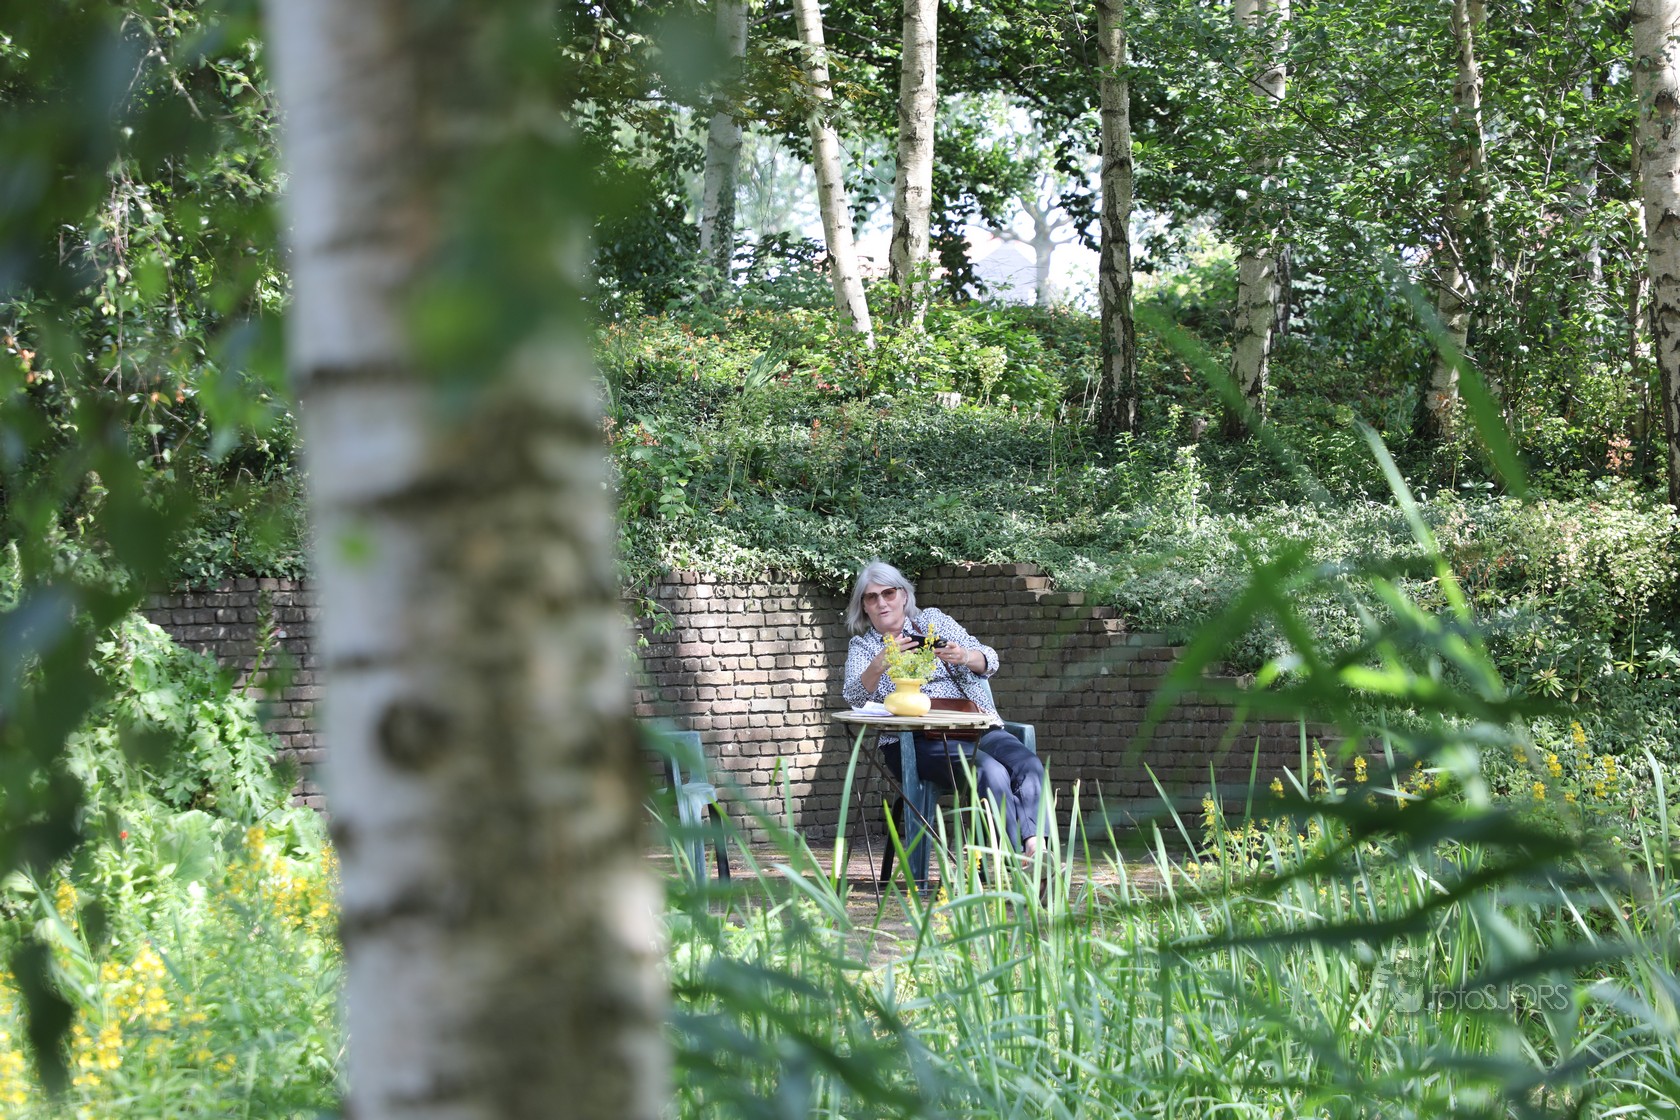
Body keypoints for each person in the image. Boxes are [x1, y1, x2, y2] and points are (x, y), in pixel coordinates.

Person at [842, 560, 1046, 857]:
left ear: (903, 595)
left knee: (1028, 765)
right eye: (872, 597)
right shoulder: (864, 647)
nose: (882, 603)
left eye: (888, 593)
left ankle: (1035, 850)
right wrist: (879, 663)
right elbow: (854, 696)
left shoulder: (933, 621)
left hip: (972, 726)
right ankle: (1017, 863)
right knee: (989, 771)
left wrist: (965, 656)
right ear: (864, 606)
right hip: (913, 740)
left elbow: (990, 660)